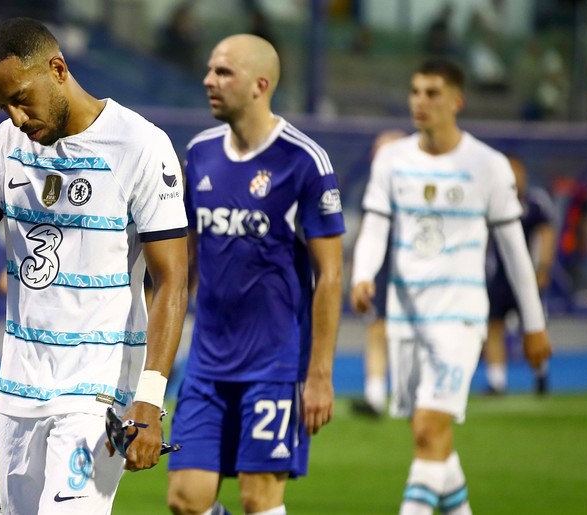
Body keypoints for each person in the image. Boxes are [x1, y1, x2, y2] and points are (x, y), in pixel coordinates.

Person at [0, 18, 188, 514]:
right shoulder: (7, 142)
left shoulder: (140, 145)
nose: (17, 116)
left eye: (21, 98)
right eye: (3, 104)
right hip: (20, 388)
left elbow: (173, 280)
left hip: (97, 389)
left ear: (58, 68)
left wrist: (150, 400)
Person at [350, 58, 551, 515]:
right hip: (405, 318)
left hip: (460, 318)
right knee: (434, 436)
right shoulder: (392, 160)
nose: (421, 101)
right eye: (416, 91)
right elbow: (376, 227)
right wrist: (363, 274)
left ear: (456, 101)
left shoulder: (488, 165)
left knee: (426, 429)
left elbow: (516, 251)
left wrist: (534, 324)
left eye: (433, 92)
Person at [167, 34, 345, 515]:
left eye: (223, 72)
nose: (209, 80)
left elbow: (330, 277)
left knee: (258, 500)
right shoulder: (200, 153)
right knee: (185, 500)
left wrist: (320, 375)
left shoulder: (303, 161)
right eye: (209, 69)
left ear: (259, 85)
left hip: (275, 365)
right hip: (206, 364)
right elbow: (182, 266)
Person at [484, 156, 557, 395]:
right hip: (498, 276)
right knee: (493, 324)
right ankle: (496, 381)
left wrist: (543, 268)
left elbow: (546, 234)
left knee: (534, 322)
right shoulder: (491, 200)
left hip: (527, 275)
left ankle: (540, 374)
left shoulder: (535, 202)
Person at [351, 129, 407, 418]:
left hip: (416, 268)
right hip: (382, 266)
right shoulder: (372, 188)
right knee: (377, 327)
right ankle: (374, 395)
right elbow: (367, 231)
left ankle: (410, 395)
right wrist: (361, 272)